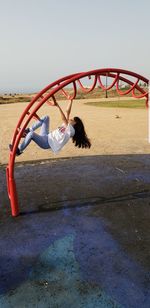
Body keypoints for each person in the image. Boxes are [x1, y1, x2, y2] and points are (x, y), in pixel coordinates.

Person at [9, 100, 91, 156]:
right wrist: (70, 100)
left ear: (75, 124)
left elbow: (64, 118)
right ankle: (28, 130)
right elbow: (67, 112)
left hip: (47, 143)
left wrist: (58, 106)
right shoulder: (67, 126)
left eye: (72, 120)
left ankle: (18, 150)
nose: (70, 119)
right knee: (46, 118)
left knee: (31, 135)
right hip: (46, 136)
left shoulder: (71, 131)